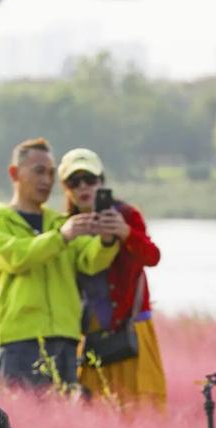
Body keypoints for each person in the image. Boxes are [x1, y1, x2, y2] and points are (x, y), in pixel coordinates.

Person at [0, 138, 119, 391]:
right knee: (18, 413)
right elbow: (14, 257)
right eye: (39, 171)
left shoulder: (60, 222)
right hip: (20, 340)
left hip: (65, 339)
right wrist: (61, 238)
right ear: (14, 173)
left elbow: (90, 260)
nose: (46, 180)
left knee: (62, 413)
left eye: (51, 174)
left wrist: (108, 240)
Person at [58, 148, 167, 409]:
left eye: (89, 179)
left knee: (141, 408)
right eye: (74, 182)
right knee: (93, 409)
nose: (83, 187)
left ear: (101, 181)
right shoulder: (65, 227)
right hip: (90, 333)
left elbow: (152, 257)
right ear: (66, 189)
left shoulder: (126, 215)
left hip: (131, 327)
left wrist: (126, 232)